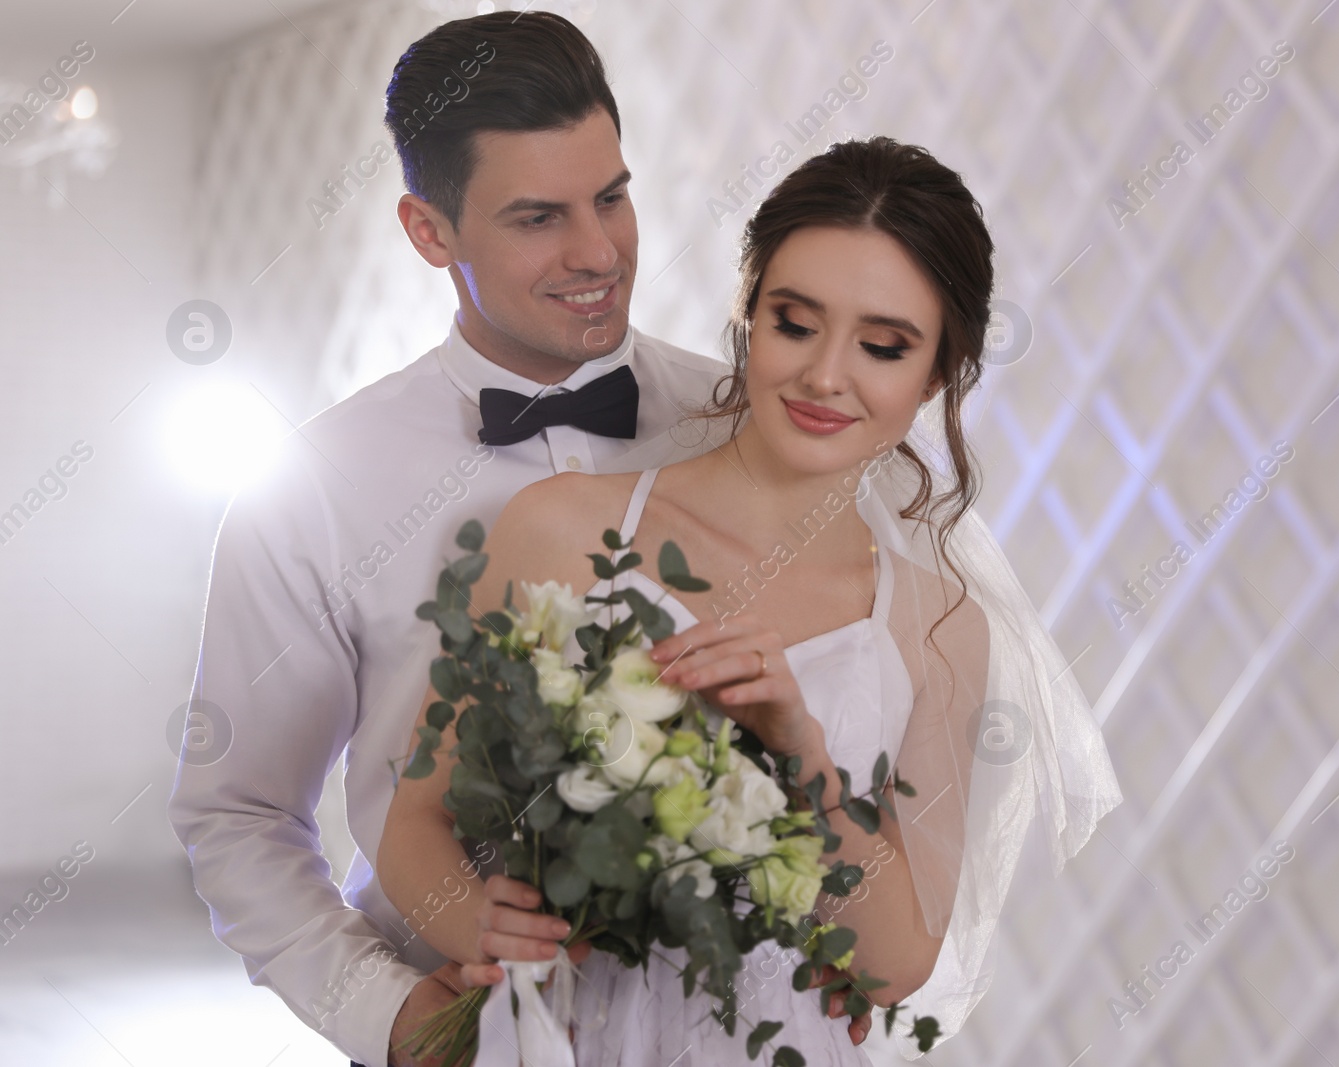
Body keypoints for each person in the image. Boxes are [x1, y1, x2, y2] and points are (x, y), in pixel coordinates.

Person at [378, 136, 1122, 1066]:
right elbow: (415, 820)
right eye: (795, 322)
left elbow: (893, 966)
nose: (823, 376)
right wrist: (489, 932)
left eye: (883, 345)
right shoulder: (558, 531)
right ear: (748, 314)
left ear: (936, 373)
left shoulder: (937, 623)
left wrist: (801, 751)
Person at [165, 12, 786, 1067]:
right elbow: (238, 811)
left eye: (613, 196)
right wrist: (395, 1017)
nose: (597, 252)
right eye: (538, 216)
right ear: (428, 230)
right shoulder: (312, 488)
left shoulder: (744, 427)